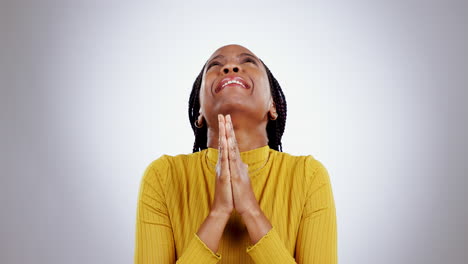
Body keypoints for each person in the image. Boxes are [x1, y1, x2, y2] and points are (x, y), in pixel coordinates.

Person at [134, 44, 337, 263]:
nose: (230, 67)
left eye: (248, 62)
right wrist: (218, 213)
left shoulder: (309, 176)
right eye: (215, 65)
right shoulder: (163, 176)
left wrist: (251, 210)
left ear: (273, 106)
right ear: (199, 111)